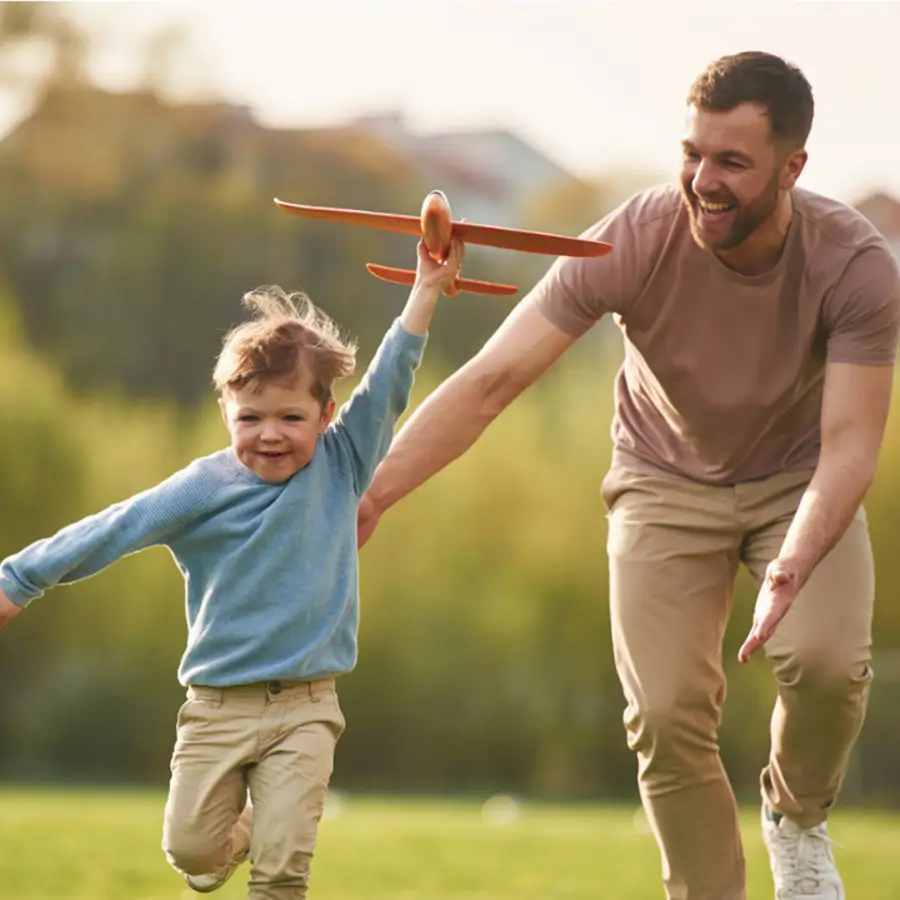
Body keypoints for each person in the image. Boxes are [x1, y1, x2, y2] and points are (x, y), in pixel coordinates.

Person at [356, 51, 900, 900]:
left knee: (828, 663)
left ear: (793, 167)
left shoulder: (856, 266)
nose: (702, 181)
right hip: (662, 479)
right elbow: (493, 380)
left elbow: (851, 447)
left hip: (800, 482)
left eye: (731, 162)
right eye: (691, 153)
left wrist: (792, 560)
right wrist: (375, 489)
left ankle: (796, 822)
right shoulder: (631, 239)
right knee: (664, 715)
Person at [0, 236, 463, 898]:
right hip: (216, 706)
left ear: (327, 415)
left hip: (307, 707)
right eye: (251, 417)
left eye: (291, 417)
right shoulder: (202, 488)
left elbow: (389, 382)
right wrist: (17, 579)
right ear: (225, 412)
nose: (270, 433)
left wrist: (424, 290)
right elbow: (115, 527)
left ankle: (270, 840)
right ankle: (243, 831)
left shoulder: (343, 463)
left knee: (282, 871)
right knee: (192, 853)